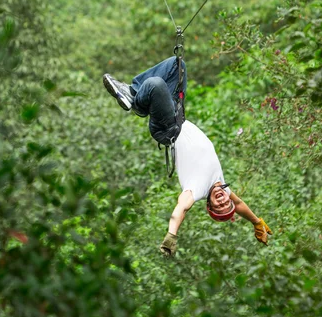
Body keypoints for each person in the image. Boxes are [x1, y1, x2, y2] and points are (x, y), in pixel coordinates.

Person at [103, 56, 272, 257]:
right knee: (177, 64)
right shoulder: (220, 182)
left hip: (168, 128)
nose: (224, 201)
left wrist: (171, 237)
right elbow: (239, 205)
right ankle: (132, 91)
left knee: (155, 85)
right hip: (178, 116)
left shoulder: (198, 189)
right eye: (227, 202)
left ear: (210, 205)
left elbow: (180, 209)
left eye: (219, 207)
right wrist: (256, 222)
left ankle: (136, 102)